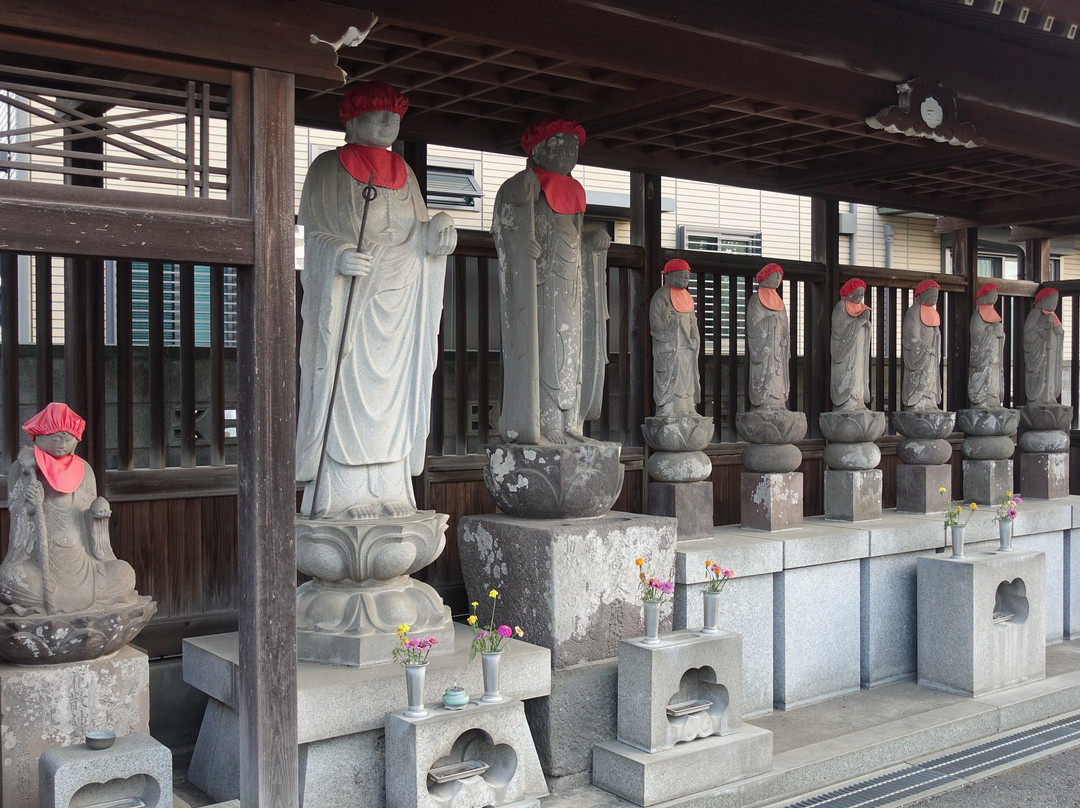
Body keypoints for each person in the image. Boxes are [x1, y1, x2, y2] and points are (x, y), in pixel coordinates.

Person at [295, 81, 457, 519]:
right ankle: (342, 495)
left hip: (402, 306)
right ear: (351, 118)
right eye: (376, 113)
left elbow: (420, 237)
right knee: (348, 389)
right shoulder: (328, 168)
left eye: (394, 115)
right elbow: (313, 237)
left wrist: (437, 233)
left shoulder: (406, 174)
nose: (388, 122)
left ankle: (391, 490)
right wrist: (339, 255)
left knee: (395, 397)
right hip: (352, 306)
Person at [491, 118, 611, 445]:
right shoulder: (525, 185)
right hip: (543, 284)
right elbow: (505, 226)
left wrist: (592, 240)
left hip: (571, 281)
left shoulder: (574, 189)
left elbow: (574, 233)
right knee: (549, 349)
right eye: (561, 145)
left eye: (574, 147)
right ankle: (546, 422)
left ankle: (570, 422)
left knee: (572, 352)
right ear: (540, 149)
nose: (569, 153)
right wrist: (519, 243)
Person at [0, 403, 136, 614]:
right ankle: (53, 603)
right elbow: (16, 512)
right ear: (39, 436)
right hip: (40, 565)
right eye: (55, 436)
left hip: (83, 562)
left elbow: (89, 511)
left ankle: (77, 604)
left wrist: (99, 509)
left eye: (68, 437)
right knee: (10, 579)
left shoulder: (84, 469)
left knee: (124, 573)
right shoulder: (24, 469)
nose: (62, 443)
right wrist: (29, 505)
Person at [650, 258, 702, 418]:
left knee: (687, 378)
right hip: (670, 347)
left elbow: (693, 323)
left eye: (687, 276)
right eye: (682, 275)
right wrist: (670, 322)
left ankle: (688, 407)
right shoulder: (661, 296)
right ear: (669, 276)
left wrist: (694, 338)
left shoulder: (687, 297)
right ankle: (669, 407)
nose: (685, 279)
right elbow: (655, 324)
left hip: (686, 348)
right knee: (671, 376)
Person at [746, 262, 789, 409]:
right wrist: (771, 322)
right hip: (765, 350)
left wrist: (784, 336)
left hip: (778, 350)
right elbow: (753, 327)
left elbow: (785, 326)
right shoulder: (756, 300)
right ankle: (765, 403)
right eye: (775, 275)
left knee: (778, 374)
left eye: (780, 276)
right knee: (766, 371)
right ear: (765, 277)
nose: (778, 278)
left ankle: (779, 402)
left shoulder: (780, 303)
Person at [830, 278, 872, 411]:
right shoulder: (841, 307)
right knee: (848, 372)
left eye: (862, 292)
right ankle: (847, 402)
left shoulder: (862, 308)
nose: (860, 295)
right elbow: (839, 330)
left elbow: (864, 327)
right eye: (858, 292)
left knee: (858, 372)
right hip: (845, 352)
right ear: (850, 292)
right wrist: (859, 322)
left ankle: (858, 400)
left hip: (858, 349)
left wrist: (866, 323)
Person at [901, 278, 942, 411]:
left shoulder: (933, 313)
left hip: (930, 355)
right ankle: (918, 403)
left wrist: (936, 337)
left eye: (937, 294)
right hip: (920, 354)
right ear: (922, 294)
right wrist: (925, 348)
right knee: (920, 377)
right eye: (932, 293)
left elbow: (936, 335)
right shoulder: (913, 312)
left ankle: (930, 402)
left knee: (930, 379)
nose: (935, 296)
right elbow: (910, 337)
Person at [1024, 286, 1064, 404]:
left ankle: (1049, 396)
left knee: (1050, 376)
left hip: (1051, 353)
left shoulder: (1053, 315)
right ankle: (1040, 398)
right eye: (1052, 301)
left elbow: (1059, 332)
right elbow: (1028, 333)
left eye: (1056, 301)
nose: (1055, 303)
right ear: (1044, 300)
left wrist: (1057, 334)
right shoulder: (1035, 313)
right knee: (1042, 375)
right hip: (1040, 354)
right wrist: (1042, 335)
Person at [968, 282, 1005, 408]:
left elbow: (999, 333)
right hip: (983, 356)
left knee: (994, 379)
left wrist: (1000, 333)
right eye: (992, 294)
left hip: (993, 357)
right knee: (984, 375)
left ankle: (993, 401)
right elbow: (976, 334)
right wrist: (991, 331)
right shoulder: (977, 316)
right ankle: (981, 402)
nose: (995, 296)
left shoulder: (992, 314)